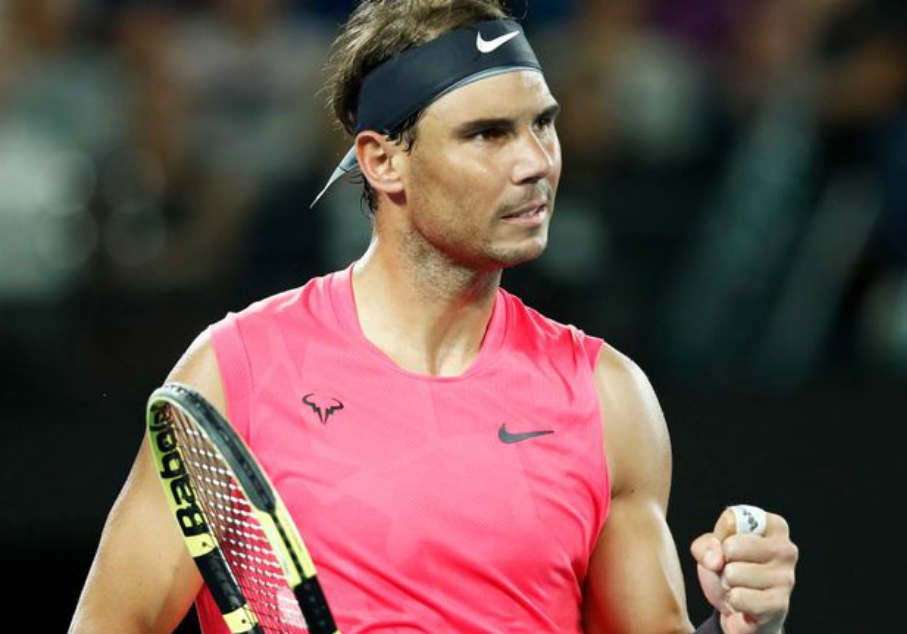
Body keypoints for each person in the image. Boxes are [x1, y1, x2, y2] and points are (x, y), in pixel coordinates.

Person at [69, 2, 798, 633]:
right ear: (383, 161)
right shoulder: (237, 374)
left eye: (542, 125)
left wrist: (742, 625)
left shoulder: (609, 397)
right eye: (488, 134)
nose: (535, 163)